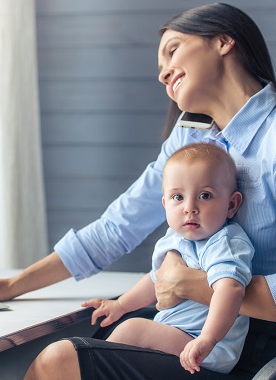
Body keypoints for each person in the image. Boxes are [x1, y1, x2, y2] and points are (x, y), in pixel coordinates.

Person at [0, 3, 276, 378]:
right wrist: (10, 285)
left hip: (254, 352)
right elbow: (117, 227)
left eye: (173, 50)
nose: (163, 71)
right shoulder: (190, 139)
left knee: (60, 360)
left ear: (223, 41)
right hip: (184, 328)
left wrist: (186, 284)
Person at [82, 142, 254, 374]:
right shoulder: (173, 238)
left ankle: (97, 370)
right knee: (123, 332)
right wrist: (120, 304)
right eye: (178, 197)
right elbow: (155, 280)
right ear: (165, 204)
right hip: (177, 335)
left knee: (132, 330)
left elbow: (230, 290)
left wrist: (208, 338)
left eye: (205, 195)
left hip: (208, 347)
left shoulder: (226, 242)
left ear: (231, 204)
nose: (189, 208)